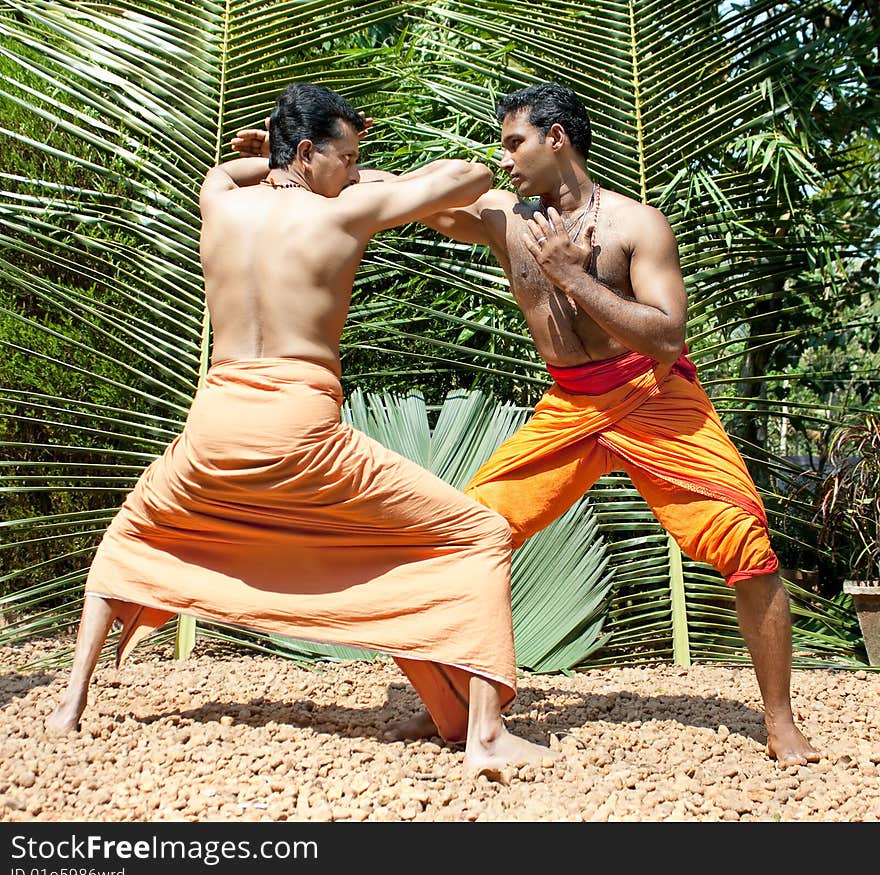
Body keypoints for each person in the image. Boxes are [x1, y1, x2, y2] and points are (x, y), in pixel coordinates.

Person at [232, 81, 820, 768]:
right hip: (569, 406)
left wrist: (575, 279)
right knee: (464, 536)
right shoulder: (501, 217)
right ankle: (459, 706)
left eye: (514, 143)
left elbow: (665, 337)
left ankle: (779, 721)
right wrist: (286, 169)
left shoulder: (636, 225)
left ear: (557, 139)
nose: (504, 158)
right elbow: (399, 187)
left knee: (747, 548)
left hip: (655, 399)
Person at [46, 81, 560, 775]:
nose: (354, 170)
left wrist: (273, 160)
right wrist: (364, 179)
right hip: (300, 427)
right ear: (312, 151)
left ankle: (68, 704)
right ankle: (485, 735)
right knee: (479, 533)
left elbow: (224, 170)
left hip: (213, 425)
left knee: (134, 533)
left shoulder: (220, 204)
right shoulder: (345, 212)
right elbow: (467, 178)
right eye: (347, 157)